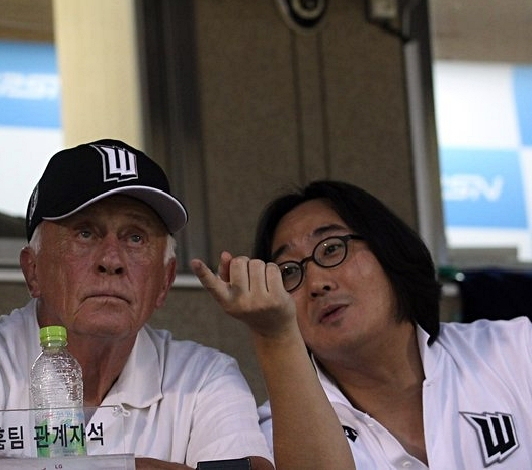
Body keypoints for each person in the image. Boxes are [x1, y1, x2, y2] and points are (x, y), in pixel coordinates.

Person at [0, 139, 274, 470]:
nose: (112, 260)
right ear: (33, 270)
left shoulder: (205, 377)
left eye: (136, 237)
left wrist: (3, 464)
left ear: (165, 280)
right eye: (86, 232)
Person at [192, 179, 532, 469]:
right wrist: (273, 334)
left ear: (388, 247)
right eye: (289, 272)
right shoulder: (279, 435)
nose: (316, 283)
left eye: (331, 249)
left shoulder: (515, 350)